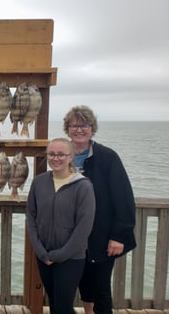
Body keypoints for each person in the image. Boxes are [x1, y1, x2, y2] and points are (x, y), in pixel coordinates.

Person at [63, 105, 136, 314]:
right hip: (73, 235)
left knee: (101, 287)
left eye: (83, 125)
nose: (79, 130)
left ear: (92, 128)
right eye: (74, 125)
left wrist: (119, 236)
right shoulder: (61, 156)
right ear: (67, 129)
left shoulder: (107, 157)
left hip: (102, 236)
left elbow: (123, 198)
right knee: (84, 284)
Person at [27, 137, 96, 314]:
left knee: (64, 306)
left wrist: (62, 254)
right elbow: (31, 217)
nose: (55, 158)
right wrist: (40, 251)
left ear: (71, 157)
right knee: (54, 304)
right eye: (51, 154)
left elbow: (84, 227)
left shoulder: (83, 186)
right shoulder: (39, 182)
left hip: (71, 257)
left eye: (61, 154)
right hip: (44, 255)